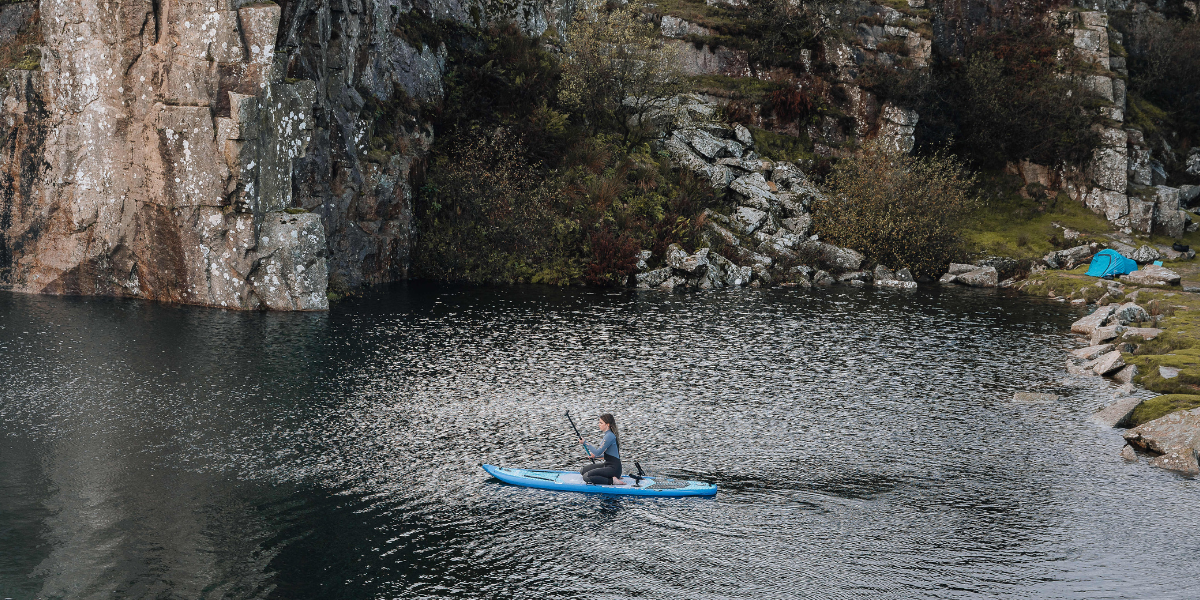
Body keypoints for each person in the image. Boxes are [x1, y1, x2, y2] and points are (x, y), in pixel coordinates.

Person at [578, 413, 623, 485]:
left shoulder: (609, 436)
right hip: (608, 465)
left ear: (607, 424)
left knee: (586, 477)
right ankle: (612, 476)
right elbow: (609, 455)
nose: (599, 424)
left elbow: (597, 452)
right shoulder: (609, 435)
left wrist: (585, 442)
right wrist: (595, 456)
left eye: (601, 423)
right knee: (583, 471)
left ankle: (612, 481)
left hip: (614, 468)